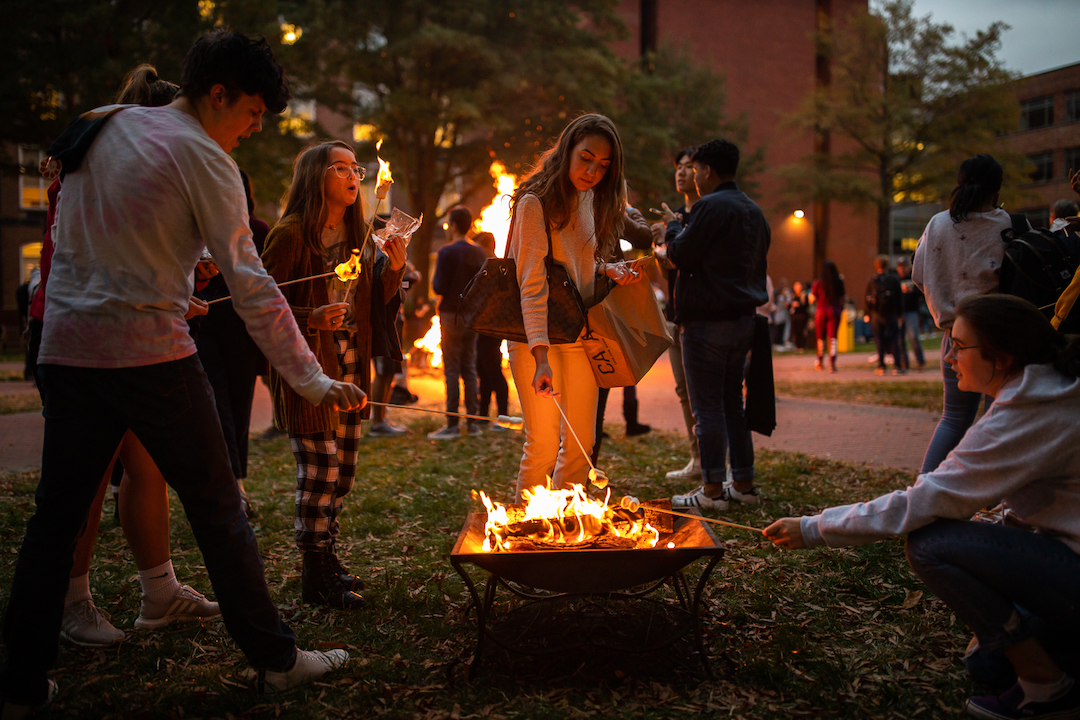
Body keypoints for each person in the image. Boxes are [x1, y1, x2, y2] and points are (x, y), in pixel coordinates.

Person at [0, 33, 363, 715]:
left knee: (56, 516)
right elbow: (251, 284)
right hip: (149, 355)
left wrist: (167, 283)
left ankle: (18, 683)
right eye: (253, 112)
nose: (255, 129)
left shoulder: (100, 125)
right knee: (219, 508)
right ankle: (278, 661)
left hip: (69, 347)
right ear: (218, 94)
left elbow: (93, 236)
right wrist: (312, 381)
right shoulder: (205, 155)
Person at [764, 294, 1080, 720]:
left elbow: (925, 502)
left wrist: (813, 528)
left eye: (959, 345)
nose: (948, 356)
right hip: (1064, 550)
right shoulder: (1039, 392)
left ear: (1001, 358)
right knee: (986, 664)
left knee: (931, 543)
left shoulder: (1029, 413)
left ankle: (1048, 690)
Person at [261, 140, 405, 610]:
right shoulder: (288, 236)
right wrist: (310, 317)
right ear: (313, 177)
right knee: (318, 472)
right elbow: (262, 306)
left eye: (354, 168)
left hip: (350, 369)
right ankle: (313, 575)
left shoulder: (361, 238)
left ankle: (327, 557)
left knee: (341, 473)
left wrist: (395, 270)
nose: (350, 176)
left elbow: (372, 305)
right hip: (308, 369)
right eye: (338, 167)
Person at [506, 113, 643, 501]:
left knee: (583, 443)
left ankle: (562, 532)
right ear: (567, 150)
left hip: (577, 330)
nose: (593, 171)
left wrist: (608, 269)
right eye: (586, 158)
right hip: (535, 337)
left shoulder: (589, 200)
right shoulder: (534, 203)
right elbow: (531, 282)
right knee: (543, 445)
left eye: (603, 165)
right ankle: (524, 538)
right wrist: (540, 355)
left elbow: (575, 266)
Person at [662, 138, 770, 511]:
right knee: (731, 406)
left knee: (706, 408)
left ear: (706, 171)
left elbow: (680, 254)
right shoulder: (753, 210)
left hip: (706, 323)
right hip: (743, 320)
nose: (691, 176)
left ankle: (710, 491)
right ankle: (743, 484)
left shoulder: (709, 206)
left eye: (694, 169)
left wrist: (673, 228)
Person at [913, 154, 1019, 474]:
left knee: (953, 418)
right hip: (996, 334)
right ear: (996, 190)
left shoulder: (938, 223)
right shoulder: (1007, 225)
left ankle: (924, 490)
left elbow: (919, 274)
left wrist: (944, 301)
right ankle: (991, 502)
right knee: (996, 420)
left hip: (954, 334)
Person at [193, 169, 271, 518]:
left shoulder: (257, 229)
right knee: (216, 405)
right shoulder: (196, 224)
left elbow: (266, 282)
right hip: (204, 323)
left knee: (239, 407)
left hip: (243, 330)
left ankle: (237, 483)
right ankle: (229, 488)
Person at [653, 148, 702, 482]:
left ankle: (715, 463)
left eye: (689, 167)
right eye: (679, 167)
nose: (682, 173)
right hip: (675, 313)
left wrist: (673, 230)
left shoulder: (705, 214)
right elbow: (670, 269)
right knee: (684, 392)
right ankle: (697, 458)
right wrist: (660, 250)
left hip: (700, 318)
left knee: (703, 394)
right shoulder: (676, 215)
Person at [428, 205, 488, 439]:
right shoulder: (479, 253)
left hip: (450, 314)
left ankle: (452, 423)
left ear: (453, 226)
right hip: (471, 316)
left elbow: (438, 287)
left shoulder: (446, 252)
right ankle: (472, 423)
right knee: (470, 368)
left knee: (452, 368)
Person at [473, 232, 510, 427]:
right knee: (483, 368)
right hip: (483, 324)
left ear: (487, 246)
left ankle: (502, 416)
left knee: (493, 369)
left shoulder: (496, 266)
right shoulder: (487, 265)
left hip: (493, 325)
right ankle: (483, 414)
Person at [865, 255, 904, 376]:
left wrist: (868, 314)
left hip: (876, 314)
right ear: (887, 265)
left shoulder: (872, 280)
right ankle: (897, 365)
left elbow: (866, 297)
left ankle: (881, 366)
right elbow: (899, 298)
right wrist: (899, 314)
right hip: (891, 314)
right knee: (894, 339)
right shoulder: (893, 279)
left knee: (879, 340)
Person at [809, 260, 845, 372]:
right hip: (834, 310)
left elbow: (811, 299)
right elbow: (843, 297)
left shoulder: (818, 283)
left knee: (820, 338)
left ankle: (820, 361)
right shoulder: (838, 282)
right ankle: (832, 364)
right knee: (833, 338)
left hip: (821, 311)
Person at [896, 257, 925, 372]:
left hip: (911, 311)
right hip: (899, 312)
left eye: (905, 267)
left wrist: (912, 291)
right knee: (900, 339)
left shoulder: (913, 279)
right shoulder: (896, 280)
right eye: (900, 267)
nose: (902, 269)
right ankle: (904, 361)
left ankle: (920, 361)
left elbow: (922, 292)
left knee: (913, 337)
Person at [789, 280, 810, 350]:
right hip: (794, 316)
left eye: (798, 286)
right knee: (795, 331)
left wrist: (799, 305)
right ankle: (797, 346)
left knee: (802, 331)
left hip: (802, 316)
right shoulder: (793, 296)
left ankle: (802, 346)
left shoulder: (803, 295)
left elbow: (806, 305)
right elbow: (790, 305)